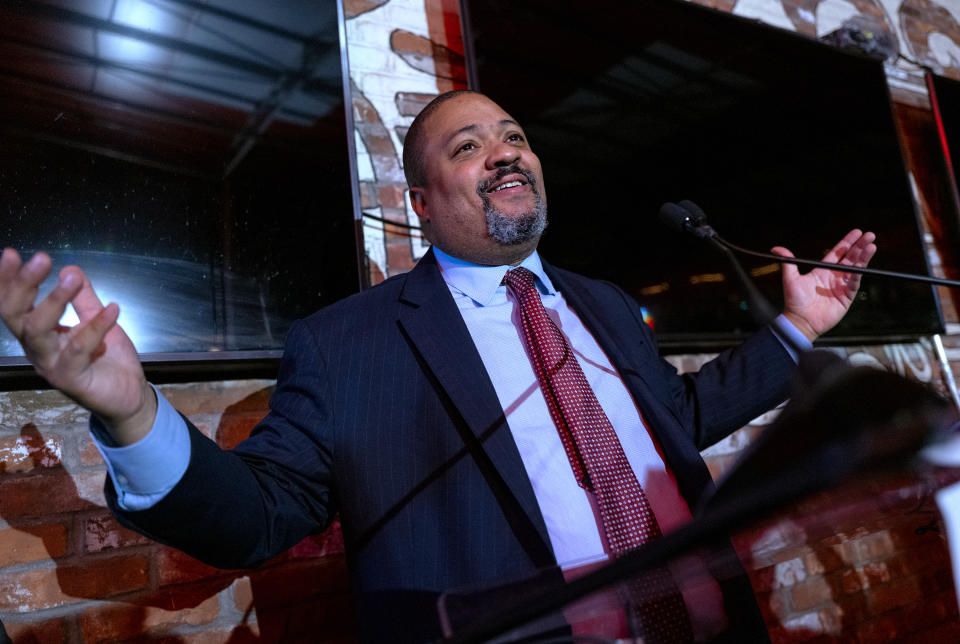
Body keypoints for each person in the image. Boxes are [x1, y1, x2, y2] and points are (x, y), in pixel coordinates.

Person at [0, 90, 876, 642]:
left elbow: (672, 428)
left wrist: (798, 327)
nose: (506, 151)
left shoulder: (604, 302)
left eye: (514, 136)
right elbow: (260, 518)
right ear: (422, 205)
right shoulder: (346, 345)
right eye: (468, 147)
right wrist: (133, 415)